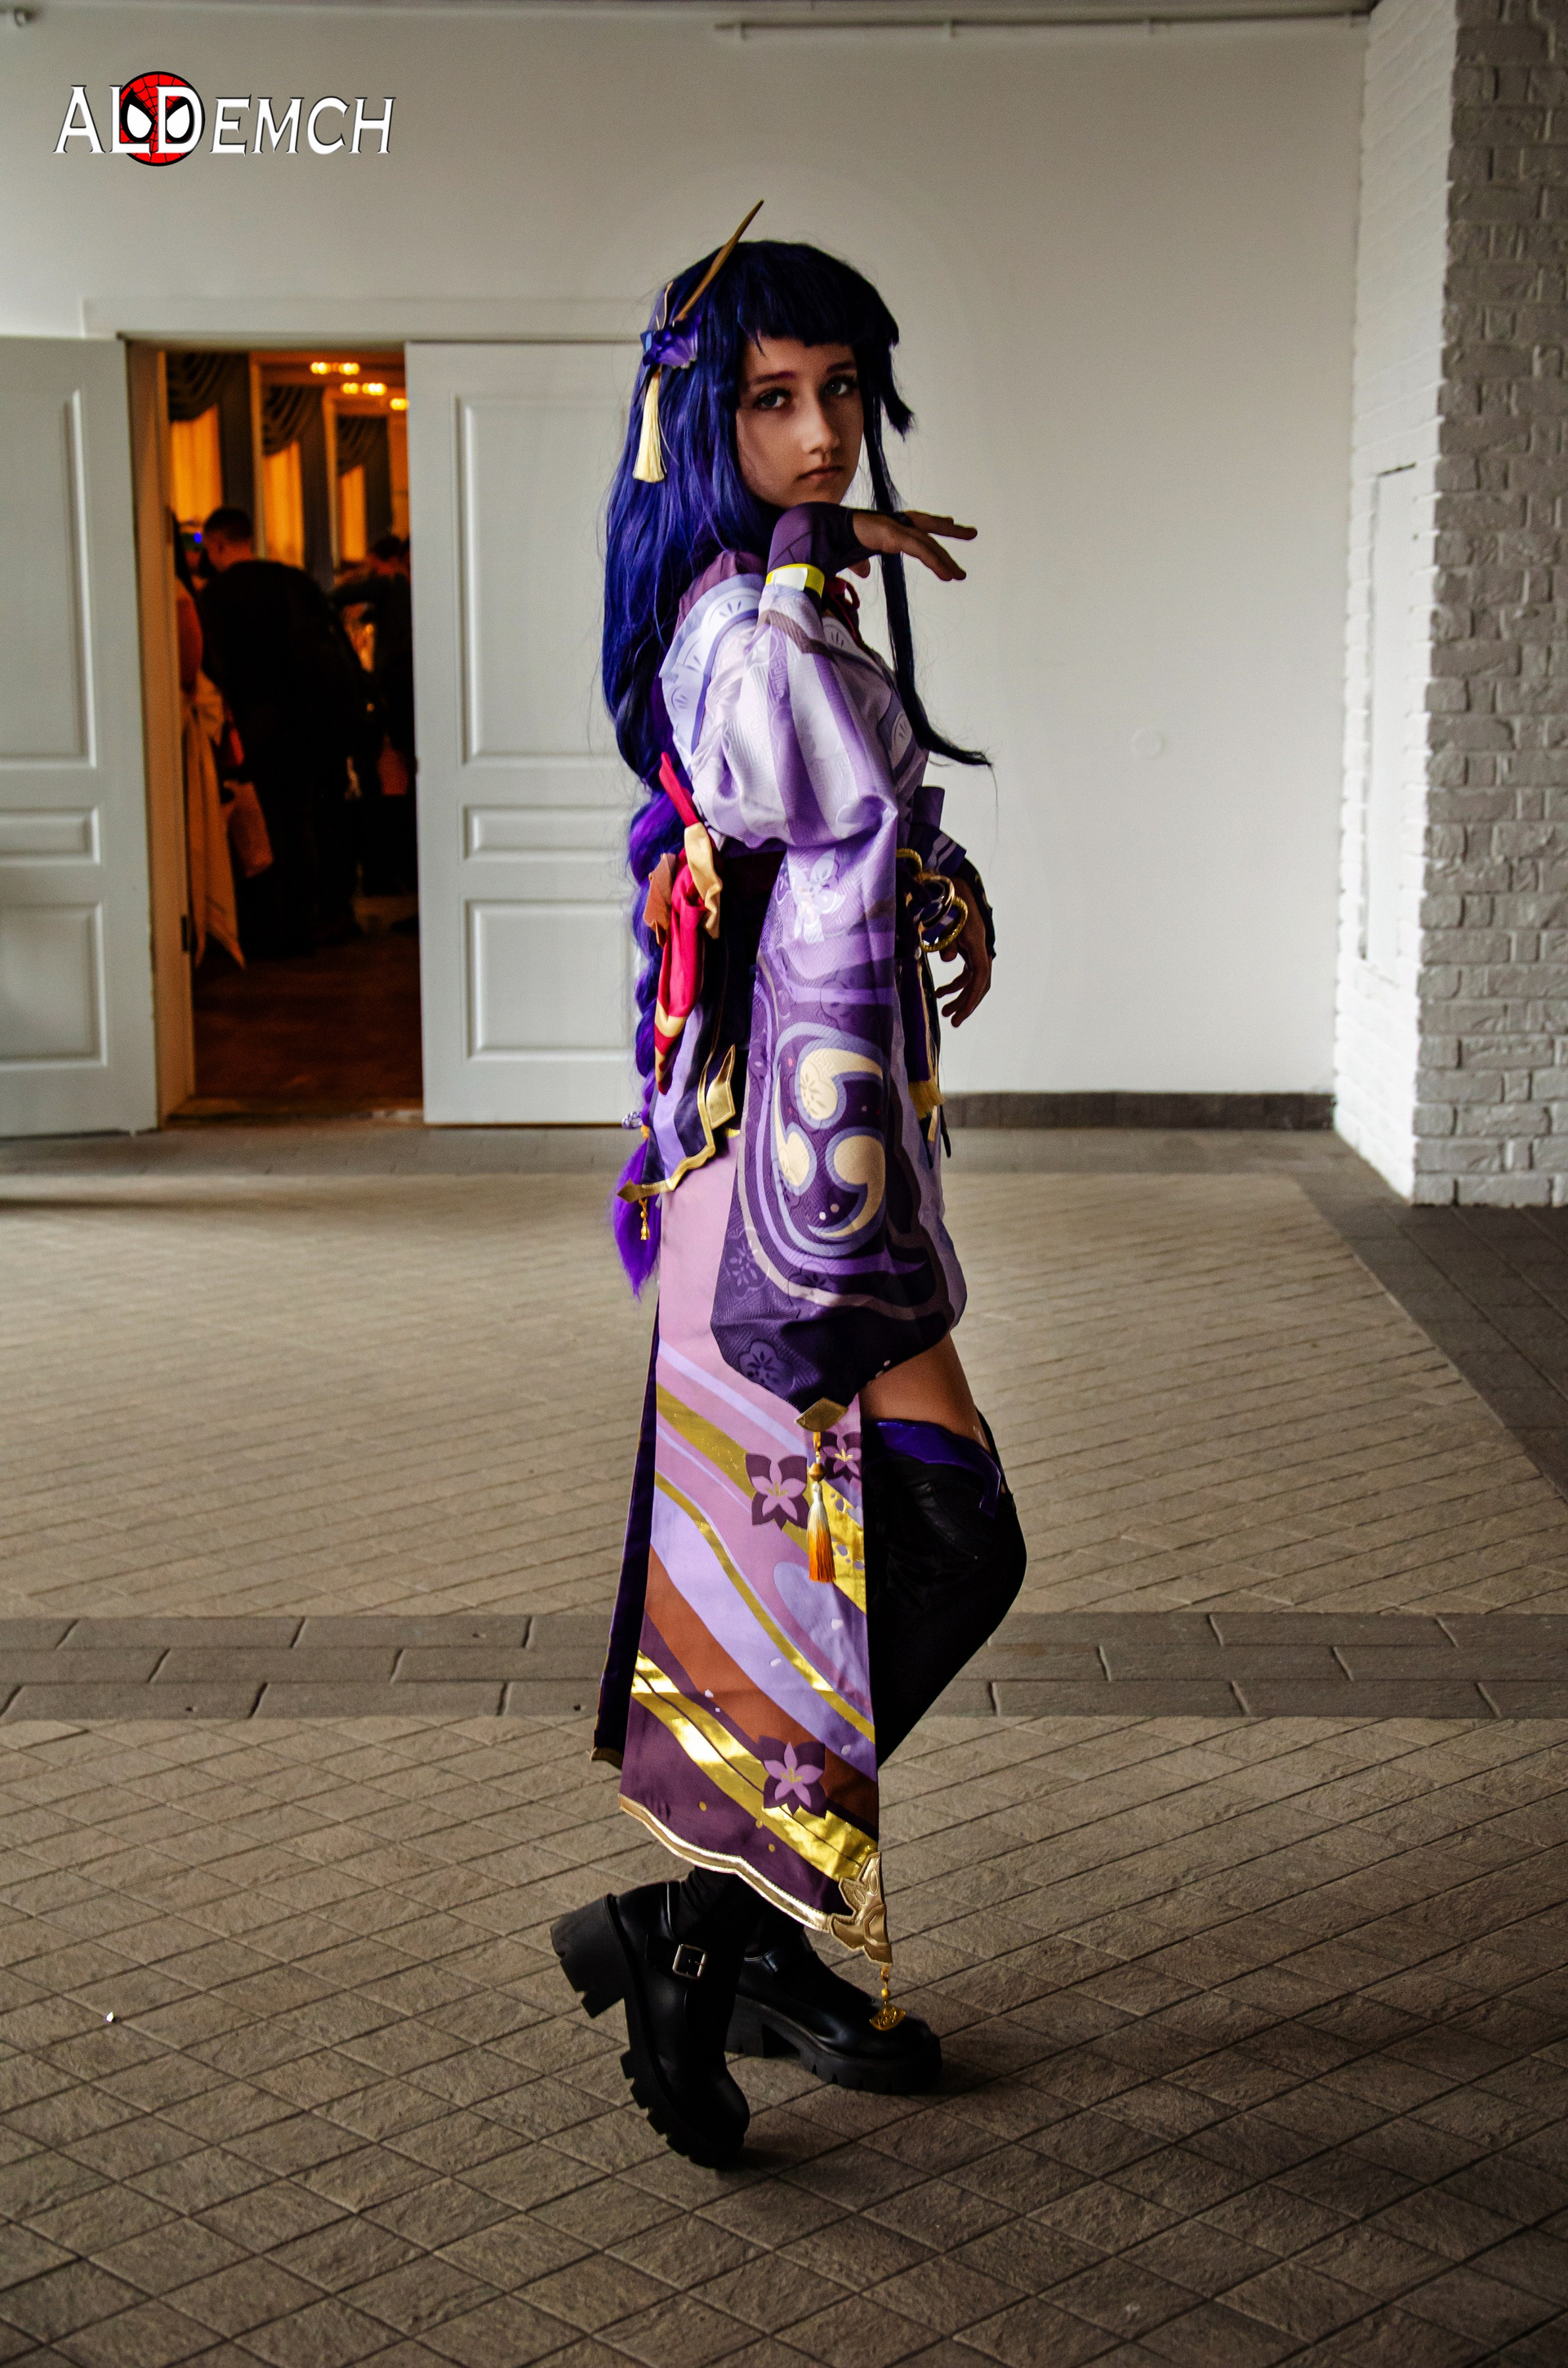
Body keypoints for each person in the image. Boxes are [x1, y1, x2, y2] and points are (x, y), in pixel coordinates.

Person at [551, 221, 1026, 2169]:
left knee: (832, 1563)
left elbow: (837, 829)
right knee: (934, 1542)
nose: (821, 432)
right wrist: (844, 1235)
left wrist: (818, 544)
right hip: (793, 1172)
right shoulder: (746, 634)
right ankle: (703, 1930)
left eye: (841, 394)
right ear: (699, 422)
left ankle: (734, 1933)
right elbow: (810, 823)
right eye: (773, 401)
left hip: (794, 1143)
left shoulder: (767, 593)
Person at [198, 506, 377, 954]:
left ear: (217, 544)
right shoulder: (294, 580)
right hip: (316, 717)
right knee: (317, 815)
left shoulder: (217, 597)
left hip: (258, 722)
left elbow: (215, 667)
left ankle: (279, 926)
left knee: (271, 822)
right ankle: (325, 913)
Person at [332, 534, 417, 895]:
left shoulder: (393, 584)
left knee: (396, 775)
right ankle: (406, 869)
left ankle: (398, 869)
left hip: (397, 690)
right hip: (408, 688)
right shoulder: (409, 593)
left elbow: (340, 596)